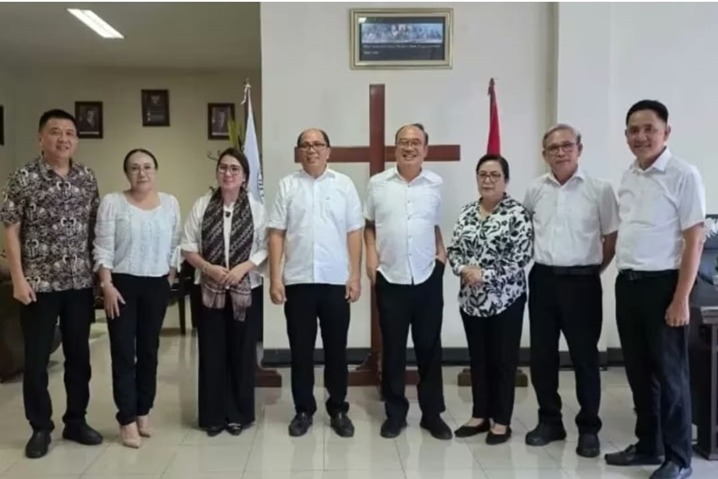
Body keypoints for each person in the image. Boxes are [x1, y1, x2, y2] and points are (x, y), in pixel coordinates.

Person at [605, 100, 704, 479]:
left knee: (671, 376)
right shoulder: (630, 175)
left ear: (666, 132)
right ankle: (649, 445)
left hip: (664, 286)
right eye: (634, 130)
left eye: (649, 128)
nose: (641, 136)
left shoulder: (683, 174)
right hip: (629, 285)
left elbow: (694, 239)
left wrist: (681, 298)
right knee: (638, 372)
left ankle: (679, 459)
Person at [0, 109, 103, 458]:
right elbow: (11, 230)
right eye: (56, 132)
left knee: (79, 358)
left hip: (79, 283)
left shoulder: (86, 177)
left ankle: (76, 420)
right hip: (38, 285)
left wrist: (99, 276)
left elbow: (95, 228)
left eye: (70, 133)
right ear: (41, 138)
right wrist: (18, 278)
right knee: (36, 360)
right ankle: (40, 427)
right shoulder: (24, 177)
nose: (64, 138)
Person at [522, 124, 619, 457]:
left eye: (567, 146)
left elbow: (611, 238)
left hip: (582, 283)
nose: (560, 152)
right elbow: (526, 232)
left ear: (579, 148)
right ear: (544, 154)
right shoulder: (535, 189)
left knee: (585, 358)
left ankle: (589, 427)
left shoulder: (599, 189)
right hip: (543, 280)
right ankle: (550, 421)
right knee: (542, 356)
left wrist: (591, 270)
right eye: (553, 148)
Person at [268, 128, 362, 438]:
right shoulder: (287, 185)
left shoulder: (344, 185)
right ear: (299, 152)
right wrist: (275, 277)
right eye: (306, 145)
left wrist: (354, 275)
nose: (312, 150)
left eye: (318, 144)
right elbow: (277, 233)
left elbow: (354, 232)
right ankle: (303, 410)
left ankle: (338, 409)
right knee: (301, 351)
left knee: (337, 351)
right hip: (298, 281)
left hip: (335, 281)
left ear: (328, 150)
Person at [364, 123, 452, 440]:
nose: (409, 147)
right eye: (404, 141)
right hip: (391, 276)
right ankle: (395, 414)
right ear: (395, 148)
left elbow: (436, 225)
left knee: (430, 348)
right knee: (393, 351)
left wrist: (441, 256)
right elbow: (369, 225)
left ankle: (432, 414)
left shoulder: (436, 184)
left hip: (428, 276)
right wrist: (371, 258)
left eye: (416, 142)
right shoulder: (378, 184)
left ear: (425, 149)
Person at [93, 148, 181, 448]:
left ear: (155, 170)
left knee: (149, 351)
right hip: (121, 286)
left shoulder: (170, 203)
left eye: (147, 167)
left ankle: (144, 410)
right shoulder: (112, 203)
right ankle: (126, 418)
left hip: (156, 284)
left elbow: (175, 244)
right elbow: (103, 246)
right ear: (126, 173)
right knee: (122, 352)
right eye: (134, 168)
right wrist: (106, 284)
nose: (141, 173)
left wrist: (169, 277)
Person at [181, 147, 267, 437]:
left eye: (234, 169)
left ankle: (239, 414)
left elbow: (265, 246)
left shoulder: (256, 208)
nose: (227, 173)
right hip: (209, 289)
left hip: (245, 289)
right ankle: (213, 416)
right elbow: (188, 246)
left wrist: (243, 267)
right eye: (223, 168)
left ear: (244, 177)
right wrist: (209, 268)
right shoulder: (202, 204)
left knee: (242, 352)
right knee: (212, 352)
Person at [447, 154, 533, 445]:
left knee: (503, 361)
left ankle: (502, 420)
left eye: (495, 175)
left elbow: (521, 257)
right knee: (478, 360)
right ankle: (480, 415)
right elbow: (454, 250)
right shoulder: (466, 212)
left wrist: (485, 274)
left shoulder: (517, 214)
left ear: (505, 180)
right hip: (471, 301)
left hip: (505, 300)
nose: (488, 180)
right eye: (483, 174)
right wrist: (463, 269)